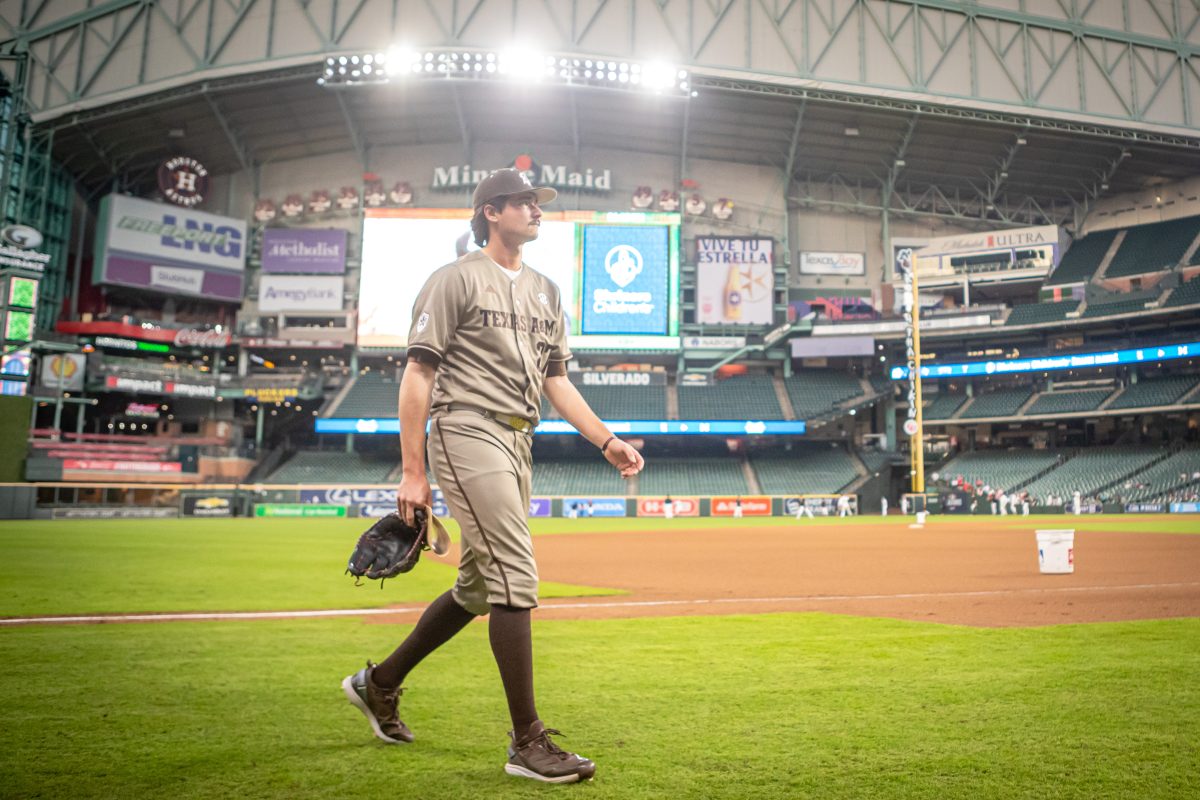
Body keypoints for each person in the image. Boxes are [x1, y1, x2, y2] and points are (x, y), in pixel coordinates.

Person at [341, 168, 644, 784]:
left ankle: (379, 683)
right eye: (523, 203)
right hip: (465, 427)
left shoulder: (547, 290)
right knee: (516, 569)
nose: (537, 211)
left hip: (518, 438)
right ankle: (527, 740)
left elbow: (556, 379)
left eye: (537, 203)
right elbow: (419, 375)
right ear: (489, 212)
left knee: (479, 588)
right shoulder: (453, 280)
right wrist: (411, 471)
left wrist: (606, 439)